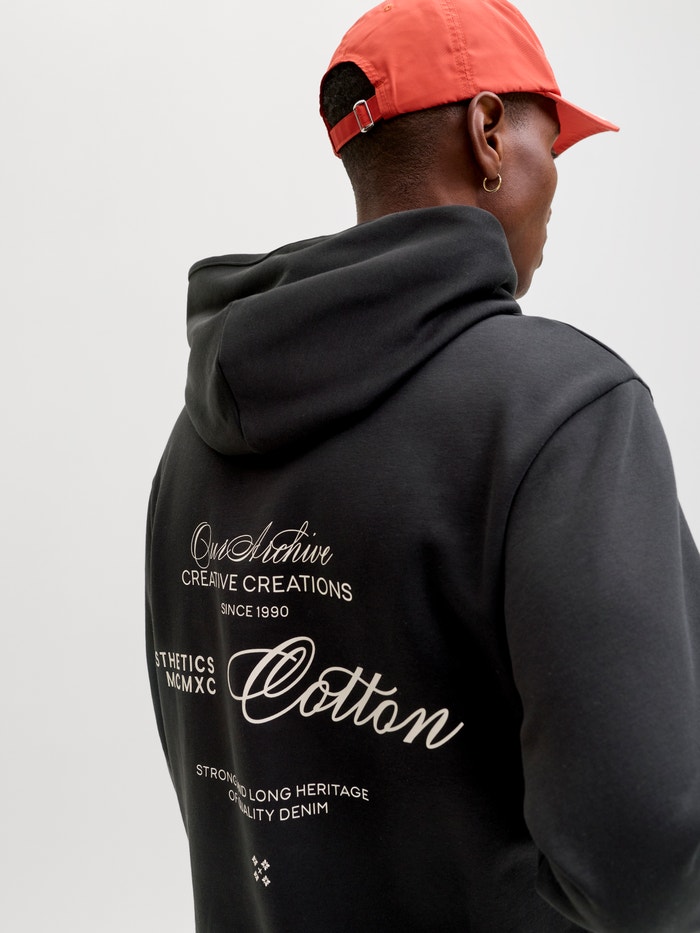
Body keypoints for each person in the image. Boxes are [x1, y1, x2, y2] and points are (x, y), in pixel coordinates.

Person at [145, 0, 700, 929]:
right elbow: (650, 856)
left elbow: (217, 775)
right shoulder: (560, 411)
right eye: (551, 138)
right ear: (488, 132)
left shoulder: (193, 442)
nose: (556, 178)